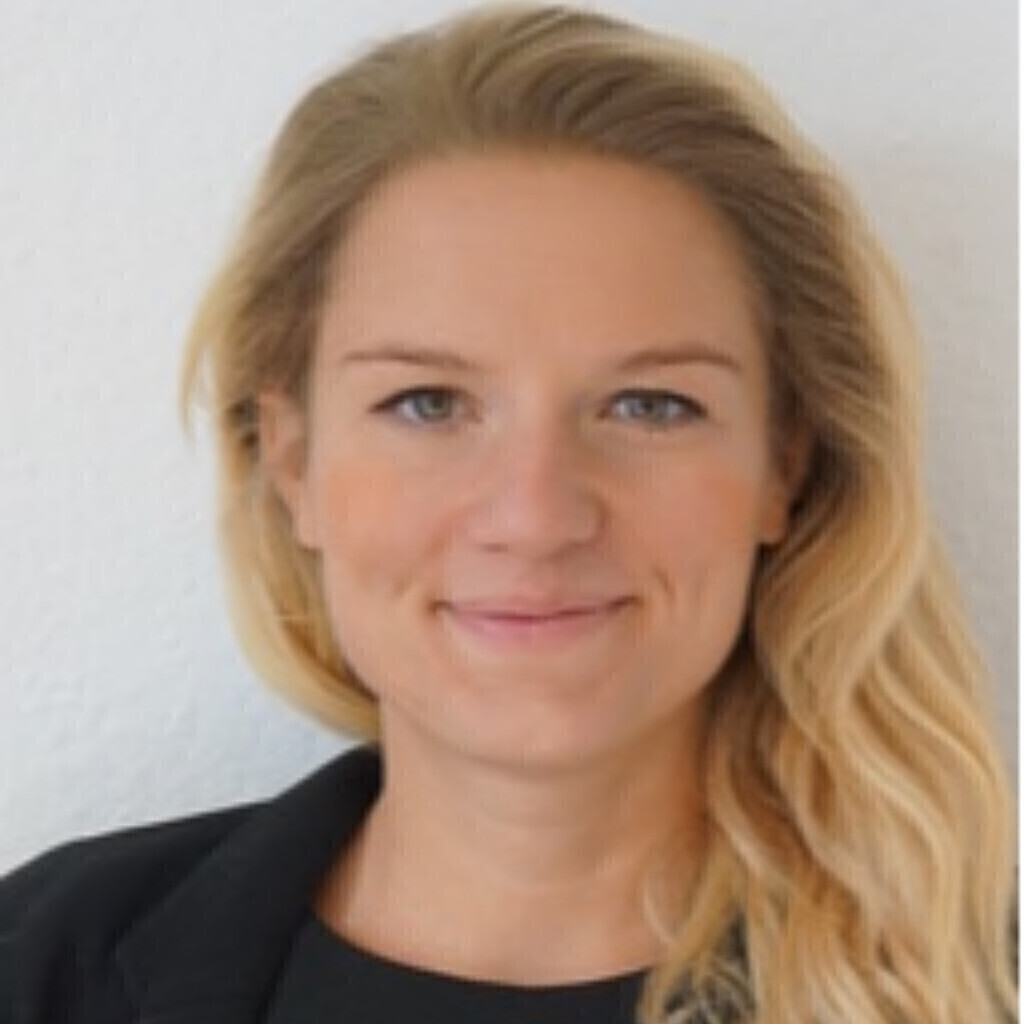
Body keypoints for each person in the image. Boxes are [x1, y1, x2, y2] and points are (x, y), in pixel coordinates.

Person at [0, 3, 1015, 1023]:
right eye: (427, 404)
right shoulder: (43, 966)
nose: (535, 516)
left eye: (648, 405)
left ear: (782, 463)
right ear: (292, 458)